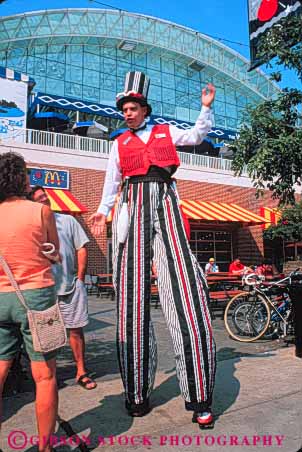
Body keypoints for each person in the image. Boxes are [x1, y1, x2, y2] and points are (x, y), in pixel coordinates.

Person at [89, 71, 216, 428]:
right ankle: (137, 394)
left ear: (144, 109)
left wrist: (205, 108)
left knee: (184, 292)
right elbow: (111, 181)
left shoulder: (166, 132)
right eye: (124, 109)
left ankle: (199, 394)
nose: (127, 114)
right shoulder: (118, 144)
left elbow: (197, 135)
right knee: (131, 301)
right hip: (132, 208)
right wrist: (102, 211)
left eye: (133, 108)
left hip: (165, 204)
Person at [0, 152, 59, 452]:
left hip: (1, 297)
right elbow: (55, 255)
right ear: (21, 178)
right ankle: (44, 448)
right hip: (36, 297)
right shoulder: (40, 212)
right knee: (45, 375)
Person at [30, 186, 97, 390]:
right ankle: (50, 376)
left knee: (76, 331)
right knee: (46, 335)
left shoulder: (67, 220)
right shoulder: (32, 227)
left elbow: (81, 248)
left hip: (70, 287)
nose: (45, 201)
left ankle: (81, 371)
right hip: (43, 290)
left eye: (45, 197)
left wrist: (80, 278)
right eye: (40, 200)